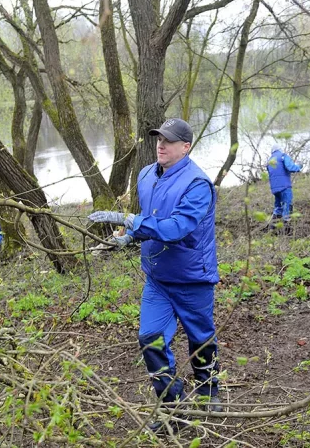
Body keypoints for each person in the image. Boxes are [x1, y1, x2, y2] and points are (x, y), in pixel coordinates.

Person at [88, 118, 221, 433]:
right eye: (159, 138)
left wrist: (129, 220)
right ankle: (174, 410)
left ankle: (208, 390)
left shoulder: (198, 185)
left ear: (185, 147)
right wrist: (128, 236)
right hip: (158, 279)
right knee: (150, 338)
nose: (161, 145)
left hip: (192, 278)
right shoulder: (146, 175)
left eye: (169, 141)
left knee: (200, 340)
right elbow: (151, 221)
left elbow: (176, 228)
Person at [266, 144, 302, 233]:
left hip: (274, 188)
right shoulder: (283, 156)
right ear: (280, 149)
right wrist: (299, 166)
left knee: (278, 207)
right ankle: (287, 231)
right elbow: (290, 167)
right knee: (287, 206)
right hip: (285, 186)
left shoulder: (270, 160)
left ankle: (271, 228)